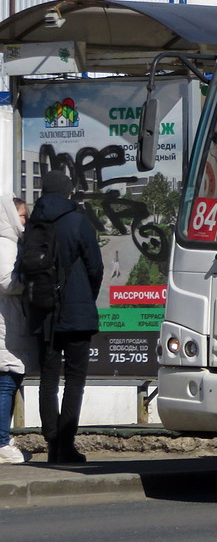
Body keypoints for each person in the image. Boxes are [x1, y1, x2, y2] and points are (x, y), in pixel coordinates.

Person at [28, 171, 103, 465]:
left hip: (43, 311)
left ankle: (52, 443)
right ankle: (66, 444)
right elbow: (95, 266)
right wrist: (87, 296)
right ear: (68, 192)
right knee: (74, 380)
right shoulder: (78, 220)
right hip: (76, 311)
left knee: (47, 380)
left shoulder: (34, 222)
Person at [0, 197, 35, 464]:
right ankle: (1, 443)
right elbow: (6, 281)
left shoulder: (11, 243)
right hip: (5, 325)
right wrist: (31, 282)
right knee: (7, 382)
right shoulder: (5, 244)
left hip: (8, 322)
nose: (25, 221)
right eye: (22, 216)